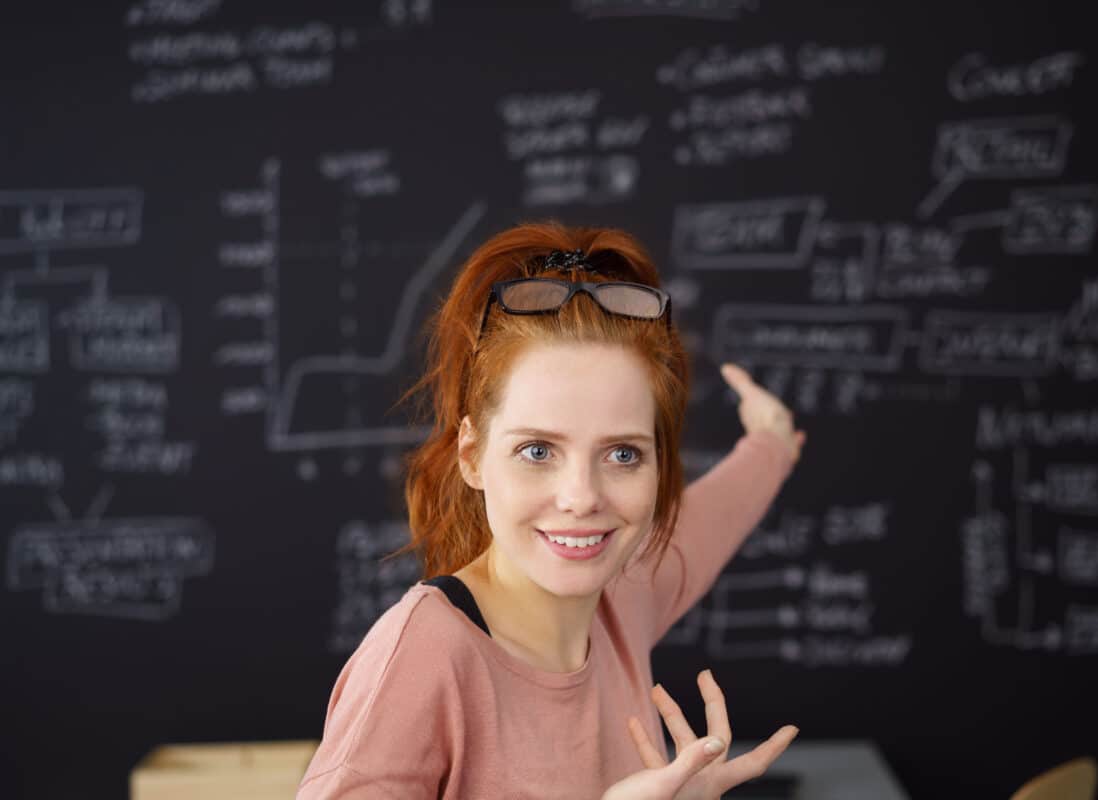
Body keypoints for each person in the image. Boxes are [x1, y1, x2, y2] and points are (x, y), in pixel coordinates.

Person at [297, 222, 807, 799]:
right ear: (472, 456)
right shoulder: (424, 658)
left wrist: (772, 441)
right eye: (537, 450)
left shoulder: (625, 594)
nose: (582, 497)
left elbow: (720, 510)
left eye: (622, 453)